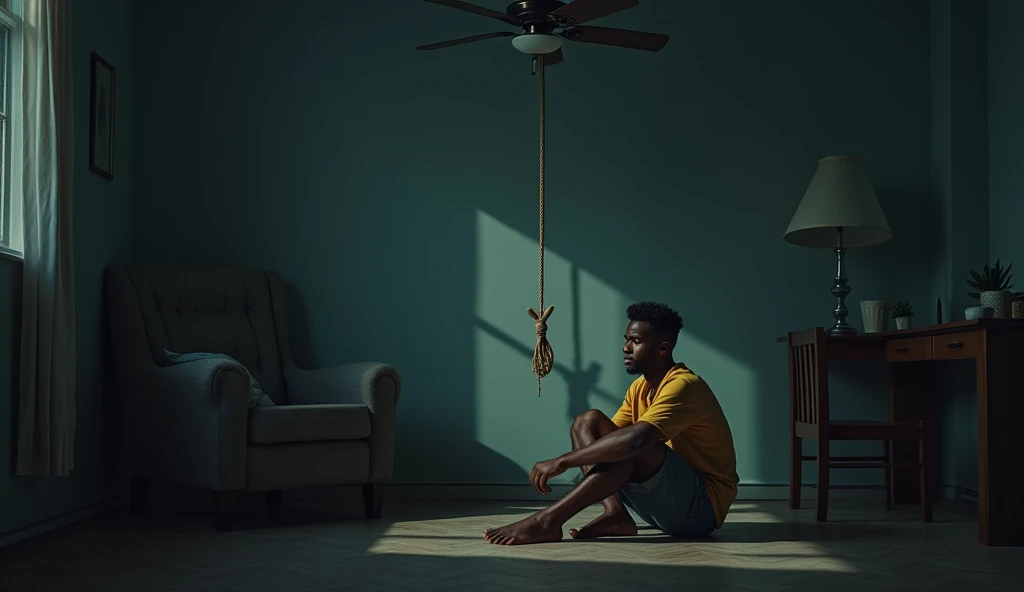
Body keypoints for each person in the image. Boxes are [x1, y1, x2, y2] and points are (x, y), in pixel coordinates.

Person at [483, 301, 739, 545]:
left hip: (700, 509)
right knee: (587, 422)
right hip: (663, 503)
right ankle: (615, 514)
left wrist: (562, 462)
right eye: (626, 339)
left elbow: (635, 441)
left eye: (635, 341)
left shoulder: (684, 385)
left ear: (663, 349)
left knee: (633, 443)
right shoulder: (640, 388)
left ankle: (546, 521)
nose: (626, 347)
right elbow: (604, 441)